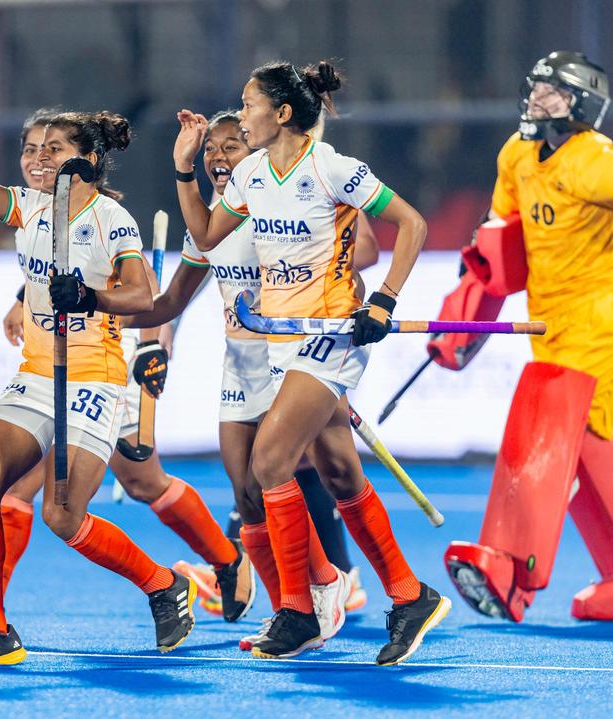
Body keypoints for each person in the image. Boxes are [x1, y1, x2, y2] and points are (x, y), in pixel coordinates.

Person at [0, 109, 254, 635]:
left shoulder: (111, 221)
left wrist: (117, 321)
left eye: (52, 149)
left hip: (97, 375)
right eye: (30, 148)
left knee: (122, 489)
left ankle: (211, 566)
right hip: (38, 372)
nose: (37, 160)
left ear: (88, 160)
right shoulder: (30, 208)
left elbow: (145, 296)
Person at [173, 60, 449, 665]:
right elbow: (207, 235)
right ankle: (410, 595)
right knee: (341, 476)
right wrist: (183, 169)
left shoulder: (332, 169)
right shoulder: (248, 172)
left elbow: (412, 224)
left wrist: (385, 298)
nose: (241, 116)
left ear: (284, 113)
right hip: (282, 341)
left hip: (330, 337)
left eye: (248, 106)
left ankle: (298, 608)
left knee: (269, 461)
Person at [443, 51, 613, 623]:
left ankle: (511, 574)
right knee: (585, 446)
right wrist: (467, 310)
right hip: (549, 320)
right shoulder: (516, 154)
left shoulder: (597, 162)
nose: (536, 97)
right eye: (535, 86)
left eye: (551, 91)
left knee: (566, 430)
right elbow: (499, 237)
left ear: (579, 105)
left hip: (601, 317)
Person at [129, 110, 379, 651]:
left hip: (296, 354)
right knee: (247, 492)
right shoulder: (216, 222)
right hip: (240, 363)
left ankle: (328, 584)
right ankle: (294, 603)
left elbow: (365, 250)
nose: (219, 157)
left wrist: (321, 271)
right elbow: (170, 301)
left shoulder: (292, 203)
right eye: (212, 149)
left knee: (293, 468)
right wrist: (119, 315)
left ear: (259, 154)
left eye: (232, 145)